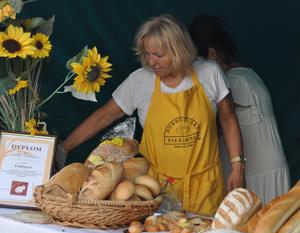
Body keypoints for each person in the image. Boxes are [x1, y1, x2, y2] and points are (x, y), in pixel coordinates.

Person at [63, 14, 245, 216]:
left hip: (205, 187)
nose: (151, 61)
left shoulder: (210, 73)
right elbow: (103, 116)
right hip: (155, 191)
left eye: (158, 55)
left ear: (179, 51)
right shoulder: (140, 80)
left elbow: (228, 119)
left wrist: (238, 166)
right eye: (146, 54)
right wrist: (65, 147)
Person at [189, 14, 291, 204]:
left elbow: (207, 126)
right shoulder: (249, 75)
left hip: (257, 176)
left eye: (197, 63)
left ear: (212, 54)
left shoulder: (234, 83)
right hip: (262, 172)